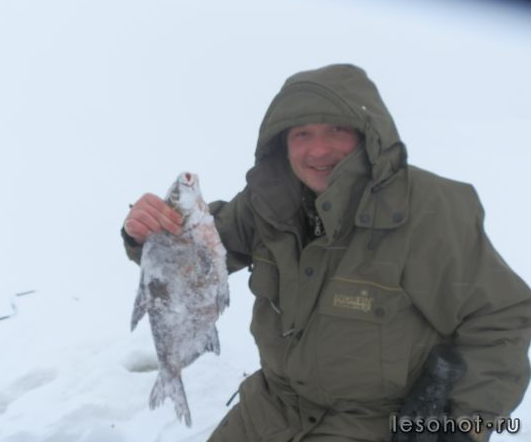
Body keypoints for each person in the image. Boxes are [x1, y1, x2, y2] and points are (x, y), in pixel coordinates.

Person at [121, 64, 531, 442]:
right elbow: (194, 262)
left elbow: (501, 318)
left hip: (373, 425)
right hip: (270, 409)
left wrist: (463, 427)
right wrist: (150, 235)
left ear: (368, 135)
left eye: (336, 130)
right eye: (302, 134)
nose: (319, 151)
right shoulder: (266, 203)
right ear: (282, 144)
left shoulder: (429, 210)